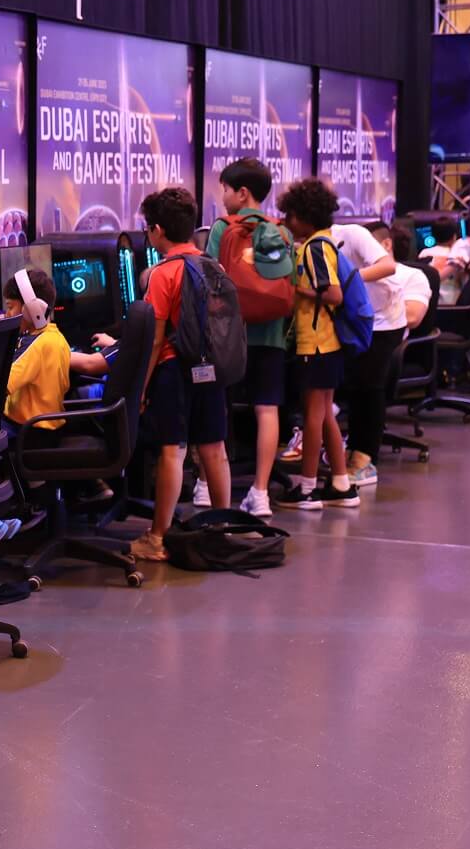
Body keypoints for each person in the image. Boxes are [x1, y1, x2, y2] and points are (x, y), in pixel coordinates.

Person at [127, 186, 232, 561]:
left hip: (175, 369)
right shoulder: (213, 266)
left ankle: (157, 537)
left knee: (173, 450)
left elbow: (156, 339)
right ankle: (223, 528)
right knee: (214, 448)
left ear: (157, 230)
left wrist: (140, 386)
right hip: (211, 368)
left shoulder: (163, 273)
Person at [211, 158, 294, 518]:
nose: (223, 197)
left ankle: (209, 485)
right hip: (272, 335)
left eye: (225, 190)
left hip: (229, 336)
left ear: (242, 193)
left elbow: (210, 281)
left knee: (217, 407)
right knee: (267, 408)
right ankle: (260, 492)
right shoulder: (283, 232)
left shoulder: (221, 228)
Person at [276, 178, 361, 511]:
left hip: (317, 345)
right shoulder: (322, 243)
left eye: (290, 216)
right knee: (325, 415)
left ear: (303, 216)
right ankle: (341, 483)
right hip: (327, 345)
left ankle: (307, 488)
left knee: (313, 416)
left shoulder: (315, 248)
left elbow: (334, 294)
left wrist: (294, 290)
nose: (287, 221)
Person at [331, 221, 399, 492]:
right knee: (353, 386)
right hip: (353, 317)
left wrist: (347, 279)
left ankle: (366, 457)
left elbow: (388, 266)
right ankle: (351, 450)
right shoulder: (304, 245)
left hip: (382, 318)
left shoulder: (352, 234)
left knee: (368, 386)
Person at [0, 266, 70, 439]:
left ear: (32, 309)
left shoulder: (38, 344)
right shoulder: (57, 337)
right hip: (49, 430)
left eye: (10, 307)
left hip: (30, 432)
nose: (6, 314)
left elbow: (1, 384)